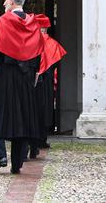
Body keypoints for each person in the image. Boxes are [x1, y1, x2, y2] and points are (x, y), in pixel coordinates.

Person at [0, 0, 43, 174]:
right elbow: (38, 54)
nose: (3, 3)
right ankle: (17, 163)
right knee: (23, 118)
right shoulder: (33, 24)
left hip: (6, 75)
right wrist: (33, 78)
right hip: (25, 77)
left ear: (11, 0)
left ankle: (0, 155)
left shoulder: (2, 22)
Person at [30, 13, 65, 158]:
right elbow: (57, 62)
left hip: (33, 81)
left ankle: (32, 141)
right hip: (47, 81)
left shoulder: (30, 42)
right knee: (45, 109)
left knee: (32, 110)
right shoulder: (53, 44)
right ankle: (42, 139)